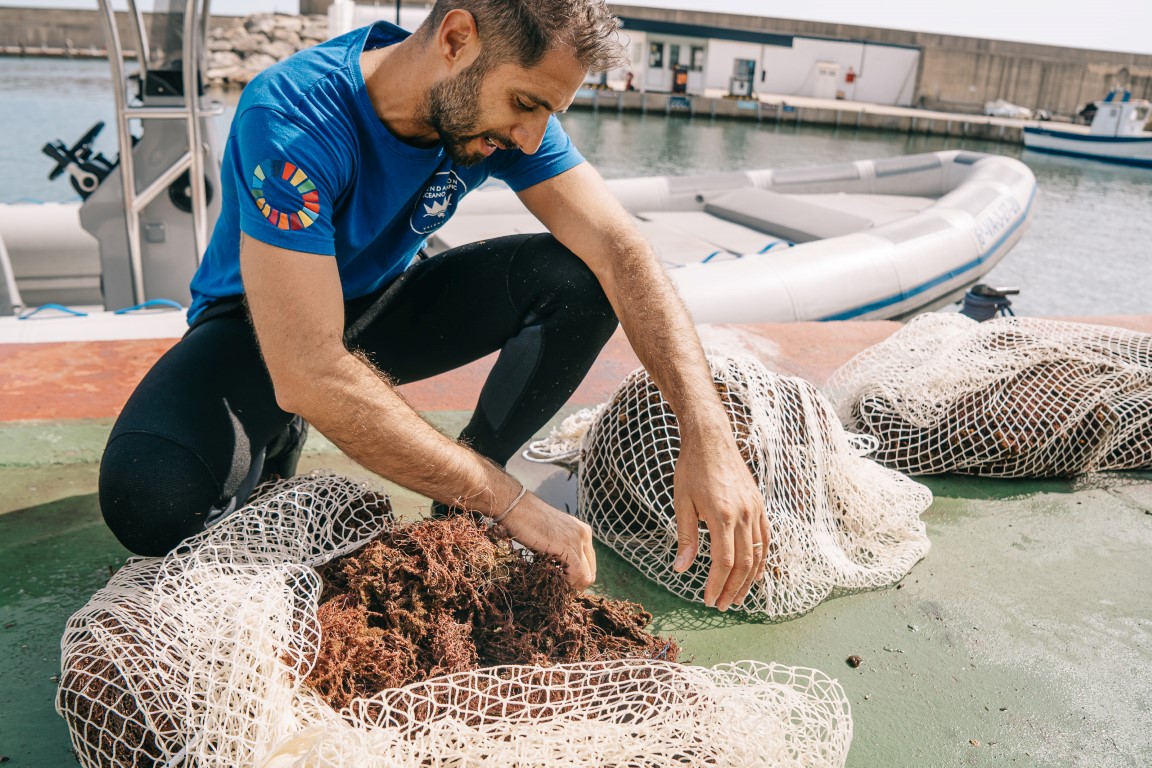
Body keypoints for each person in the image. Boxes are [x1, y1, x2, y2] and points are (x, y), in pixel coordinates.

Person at [99, 0, 768, 612]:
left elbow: (620, 249)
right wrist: (512, 502)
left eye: (549, 113)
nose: (531, 137)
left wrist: (705, 431)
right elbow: (308, 368)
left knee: (583, 277)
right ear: (455, 39)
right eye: (525, 103)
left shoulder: (500, 117)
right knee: (150, 499)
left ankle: (461, 510)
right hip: (258, 331)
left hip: (385, 304)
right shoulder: (294, 114)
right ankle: (316, 441)